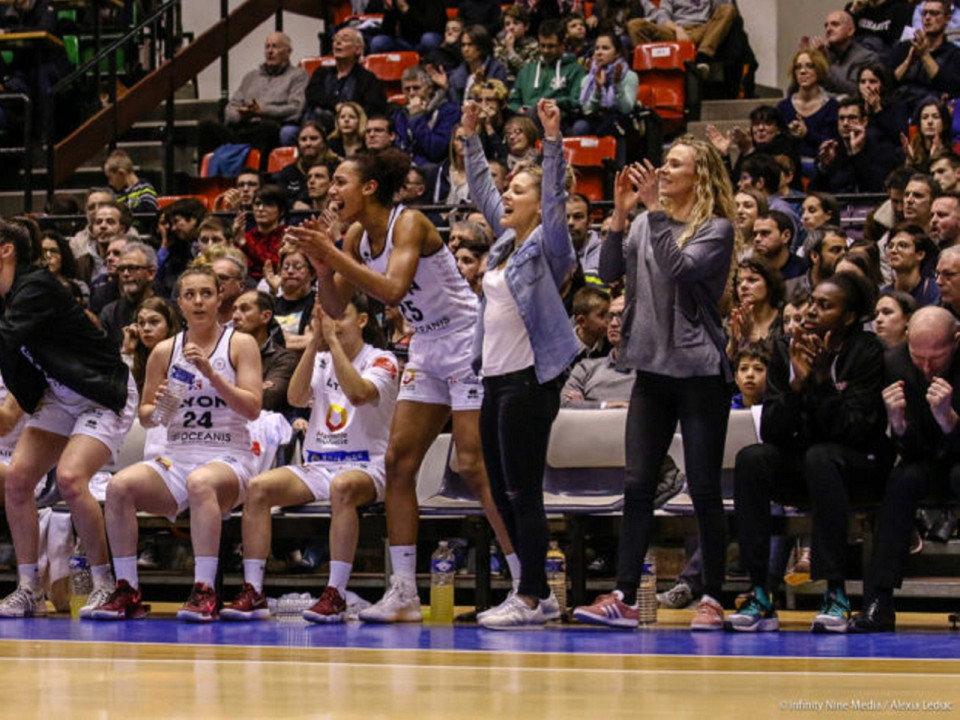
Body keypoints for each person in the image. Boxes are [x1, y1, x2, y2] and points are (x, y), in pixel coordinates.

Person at [286, 147, 517, 624]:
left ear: (369, 187)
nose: (332, 190)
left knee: (474, 465)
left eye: (340, 181)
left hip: (467, 339)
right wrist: (322, 264)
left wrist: (331, 252)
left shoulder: (408, 222)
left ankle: (526, 583)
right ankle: (405, 591)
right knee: (397, 463)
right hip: (428, 348)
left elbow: (391, 290)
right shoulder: (353, 235)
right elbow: (333, 305)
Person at [575, 137, 739, 631]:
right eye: (663, 163)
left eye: (674, 164)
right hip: (651, 370)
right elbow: (605, 276)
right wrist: (621, 218)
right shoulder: (646, 222)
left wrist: (652, 212)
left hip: (699, 371)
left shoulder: (716, 229)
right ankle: (624, 594)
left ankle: (712, 596)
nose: (663, 171)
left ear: (700, 175)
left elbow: (679, 268)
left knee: (705, 488)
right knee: (638, 484)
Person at [454, 98, 575, 629]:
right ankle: (536, 590)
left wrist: (552, 142)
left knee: (523, 491)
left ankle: (530, 597)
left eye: (516, 192)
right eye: (509, 190)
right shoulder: (503, 244)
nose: (506, 196)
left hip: (530, 382)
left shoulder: (548, 247)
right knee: (501, 489)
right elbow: (482, 189)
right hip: (495, 380)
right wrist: (470, 136)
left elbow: (553, 199)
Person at [90, 267, 262, 622]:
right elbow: (147, 416)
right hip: (178, 455)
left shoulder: (240, 343)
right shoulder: (165, 351)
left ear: (219, 298)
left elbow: (253, 407)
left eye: (206, 293)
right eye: (190, 295)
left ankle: (204, 590)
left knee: (201, 482)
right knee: (119, 486)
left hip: (228, 455)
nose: (198, 301)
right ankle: (127, 590)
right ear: (179, 302)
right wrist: (164, 406)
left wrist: (213, 375)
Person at [725, 272, 890, 633]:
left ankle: (835, 593)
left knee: (822, 455)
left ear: (848, 317)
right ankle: (759, 592)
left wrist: (821, 381)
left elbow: (856, 430)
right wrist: (797, 384)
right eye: (811, 302)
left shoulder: (867, 351)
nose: (811, 312)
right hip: (803, 463)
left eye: (825, 306)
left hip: (856, 470)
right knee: (752, 458)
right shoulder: (785, 348)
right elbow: (771, 428)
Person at [220, 293, 399, 622]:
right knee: (258, 488)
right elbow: (295, 396)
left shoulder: (382, 360)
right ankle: (254, 590)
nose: (331, 324)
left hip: (366, 466)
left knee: (342, 488)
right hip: (318, 464)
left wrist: (331, 342)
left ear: (362, 321)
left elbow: (358, 394)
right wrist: (316, 343)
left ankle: (336, 593)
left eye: (339, 317)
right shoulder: (319, 358)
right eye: (324, 319)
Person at [0, 219, 137, 617]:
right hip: (59, 394)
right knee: (18, 480)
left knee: (71, 478)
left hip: (100, 391)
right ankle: (29, 589)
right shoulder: (9, 295)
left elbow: (6, 340)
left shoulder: (36, 285)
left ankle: (104, 584)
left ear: (6, 249)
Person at [850, 306, 960, 631]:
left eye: (936, 358)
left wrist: (950, 421)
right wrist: (897, 425)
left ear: (956, 341)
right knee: (900, 482)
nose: (926, 367)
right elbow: (911, 450)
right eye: (918, 356)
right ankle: (879, 599)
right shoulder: (895, 363)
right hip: (924, 461)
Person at [204, 32, 309, 165]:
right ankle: (209, 181)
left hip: (269, 126)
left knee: (266, 128)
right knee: (206, 127)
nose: (270, 51)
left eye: (275, 47)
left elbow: (296, 109)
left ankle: (259, 177)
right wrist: (240, 115)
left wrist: (262, 111)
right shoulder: (251, 77)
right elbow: (231, 106)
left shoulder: (298, 76)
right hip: (242, 126)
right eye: (267, 47)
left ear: (288, 51)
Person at [810, 97, 902, 194]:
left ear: (864, 121)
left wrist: (857, 154)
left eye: (852, 118)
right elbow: (813, 192)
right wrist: (823, 168)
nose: (845, 123)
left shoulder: (882, 147)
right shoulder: (831, 149)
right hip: (838, 206)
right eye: (841, 118)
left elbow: (878, 187)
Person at [304, 27, 388, 130]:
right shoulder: (321, 72)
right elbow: (312, 94)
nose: (338, 43)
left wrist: (347, 111)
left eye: (345, 39)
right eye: (335, 39)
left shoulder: (367, 79)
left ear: (358, 49)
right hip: (319, 126)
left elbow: (372, 108)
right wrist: (335, 104)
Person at [508, 19, 586, 129]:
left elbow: (578, 102)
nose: (545, 50)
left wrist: (557, 102)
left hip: (560, 121)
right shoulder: (528, 70)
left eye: (551, 46)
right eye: (542, 46)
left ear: (562, 45)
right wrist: (518, 108)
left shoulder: (576, 70)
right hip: (527, 120)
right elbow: (513, 101)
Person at [231, 291, 299, 415]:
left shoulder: (284, 359)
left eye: (244, 309)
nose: (235, 316)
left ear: (265, 316)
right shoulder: (225, 351)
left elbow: (267, 399)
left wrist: (222, 389)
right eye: (234, 310)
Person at [888, 0, 960, 116]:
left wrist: (924, 55)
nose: (927, 18)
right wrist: (908, 62)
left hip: (932, 113)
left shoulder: (954, 54)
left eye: (934, 13)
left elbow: (950, 86)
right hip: (899, 108)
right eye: (924, 13)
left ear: (947, 19)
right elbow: (889, 81)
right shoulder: (904, 48)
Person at [626, 0, 739, 67]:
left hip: (703, 30)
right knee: (635, 25)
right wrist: (678, 29)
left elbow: (721, 10)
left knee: (728, 9)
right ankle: (650, 67)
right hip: (675, 31)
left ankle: (702, 57)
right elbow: (662, 16)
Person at [777, 49, 839, 163]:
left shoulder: (831, 107)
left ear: (819, 70)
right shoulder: (784, 107)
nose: (803, 71)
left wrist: (807, 133)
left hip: (821, 167)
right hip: (791, 168)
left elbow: (833, 143)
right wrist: (788, 133)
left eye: (809, 66)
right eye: (798, 67)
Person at [394, 66, 462, 166]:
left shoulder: (450, 111)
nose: (411, 93)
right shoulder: (400, 115)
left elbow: (436, 151)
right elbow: (400, 146)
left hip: (437, 169)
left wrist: (416, 117)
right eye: (407, 89)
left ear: (429, 89)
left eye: (416, 88)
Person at [799, 10, 877, 96]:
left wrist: (822, 63)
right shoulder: (823, 53)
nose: (828, 29)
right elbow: (795, 90)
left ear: (850, 30)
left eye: (835, 24)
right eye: (826, 26)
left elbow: (855, 89)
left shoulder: (866, 57)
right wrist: (805, 61)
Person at [99, 242, 158, 348]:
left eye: (132, 268)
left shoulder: (169, 310)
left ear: (151, 273)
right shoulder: (110, 314)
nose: (125, 274)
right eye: (121, 269)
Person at [726, 256, 785, 360]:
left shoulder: (785, 320)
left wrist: (751, 335)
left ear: (769, 284)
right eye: (739, 282)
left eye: (752, 280)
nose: (743, 286)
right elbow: (722, 368)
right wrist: (733, 343)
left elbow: (783, 362)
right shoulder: (731, 322)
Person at [121, 297, 182, 395]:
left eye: (154, 322)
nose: (146, 328)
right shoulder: (138, 360)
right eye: (141, 323)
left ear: (169, 326)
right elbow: (121, 393)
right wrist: (127, 351)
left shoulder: (181, 359)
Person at [441, 25, 509, 106]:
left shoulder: (496, 70)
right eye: (463, 45)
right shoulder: (457, 75)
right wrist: (446, 86)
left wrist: (482, 84)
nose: (465, 49)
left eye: (470, 44)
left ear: (481, 46)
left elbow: (500, 101)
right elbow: (454, 105)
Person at [275, 121, 339, 204]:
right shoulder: (288, 172)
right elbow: (280, 201)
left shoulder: (337, 168)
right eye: (303, 139)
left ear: (324, 142)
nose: (308, 143)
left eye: (313, 138)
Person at [882, 223, 941, 307]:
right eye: (890, 246)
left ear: (920, 254)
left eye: (902, 245)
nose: (893, 251)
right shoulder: (884, 294)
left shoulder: (935, 291)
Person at [369, 0, 445, 55]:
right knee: (378, 42)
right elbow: (387, 32)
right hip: (405, 43)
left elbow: (432, 27)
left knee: (429, 39)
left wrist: (406, 9)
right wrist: (389, 10)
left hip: (427, 42)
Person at [752, 211, 806, 280]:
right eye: (755, 234)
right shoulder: (751, 271)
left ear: (786, 236)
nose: (757, 239)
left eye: (765, 233)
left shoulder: (804, 272)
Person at [103, 149, 158, 214]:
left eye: (110, 178)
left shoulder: (145, 188)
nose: (110, 183)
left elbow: (149, 209)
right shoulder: (116, 194)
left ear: (121, 173)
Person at [495, 6, 541, 83]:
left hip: (522, 85)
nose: (511, 27)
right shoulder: (500, 46)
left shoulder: (534, 47)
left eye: (516, 23)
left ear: (526, 26)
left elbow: (527, 73)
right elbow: (498, 71)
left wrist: (511, 51)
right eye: (507, 24)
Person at [903, 98, 952, 171]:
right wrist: (909, 163)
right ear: (919, 124)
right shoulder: (911, 153)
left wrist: (937, 158)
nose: (930, 122)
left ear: (944, 123)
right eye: (925, 117)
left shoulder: (954, 153)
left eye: (935, 117)